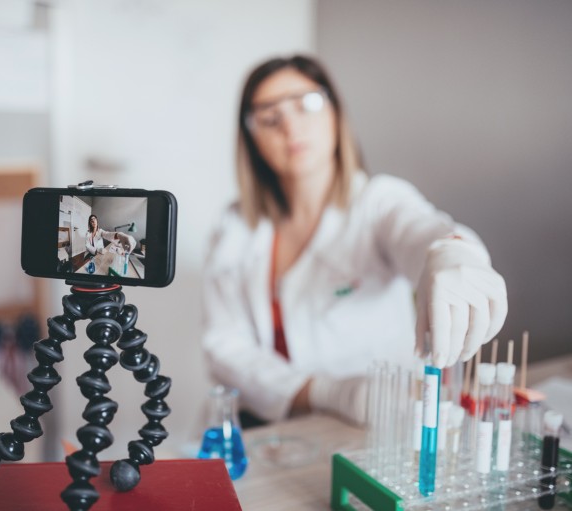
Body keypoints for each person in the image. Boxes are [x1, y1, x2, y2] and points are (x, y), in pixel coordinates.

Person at [201, 55, 507, 426]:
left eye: (306, 105)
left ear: (335, 113)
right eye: (269, 117)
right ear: (252, 138)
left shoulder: (378, 202)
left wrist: (452, 253)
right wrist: (325, 391)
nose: (290, 126)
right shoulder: (236, 225)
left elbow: (422, 231)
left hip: (376, 429)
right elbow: (224, 346)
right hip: (272, 431)